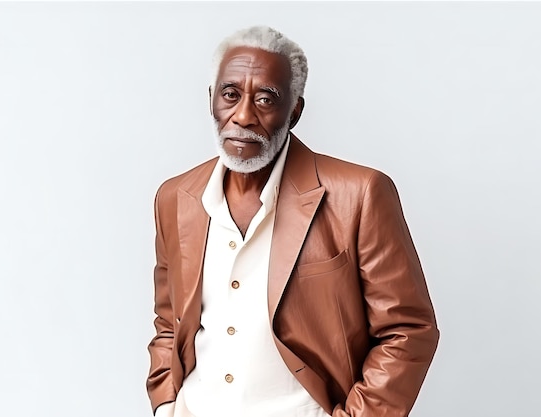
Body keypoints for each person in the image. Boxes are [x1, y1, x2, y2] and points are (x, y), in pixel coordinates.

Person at [147, 26, 439, 417]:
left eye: (266, 99)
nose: (244, 116)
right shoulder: (175, 198)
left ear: (295, 111)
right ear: (211, 100)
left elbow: (408, 330)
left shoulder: (360, 194)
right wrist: (165, 403)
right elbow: (169, 320)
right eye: (230, 95)